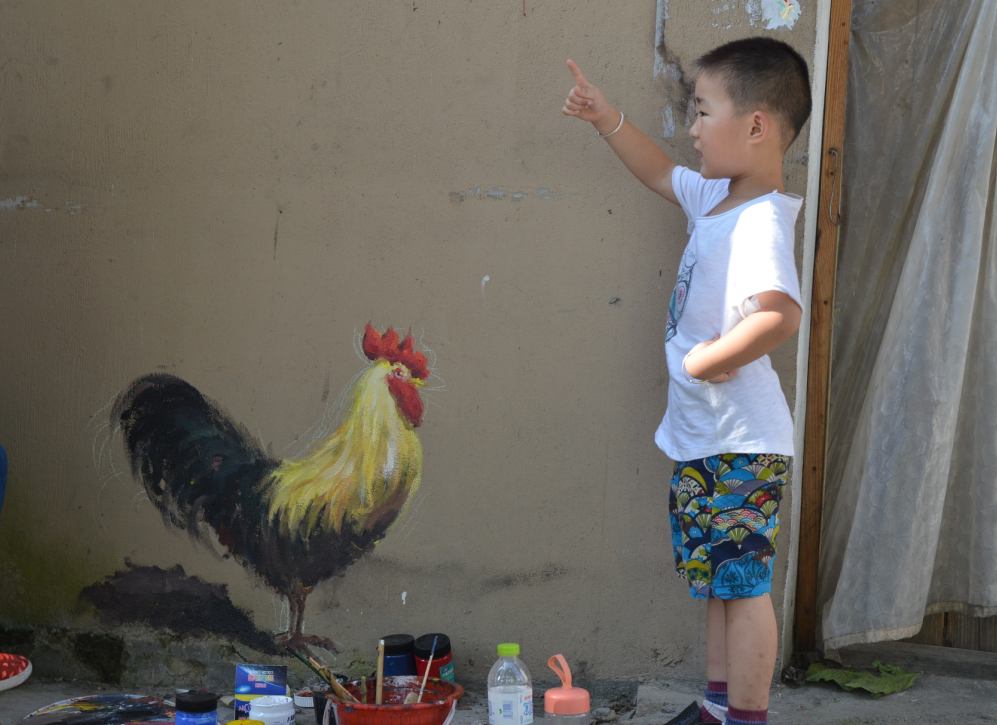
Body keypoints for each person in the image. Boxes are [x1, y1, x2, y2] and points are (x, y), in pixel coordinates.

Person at [562, 37, 811, 725]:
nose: (692, 129)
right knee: (719, 583)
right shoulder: (718, 200)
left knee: (743, 584)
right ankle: (717, 705)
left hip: (741, 441)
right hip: (709, 439)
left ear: (755, 125)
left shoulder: (759, 219)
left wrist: (706, 359)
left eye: (702, 112)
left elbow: (781, 314)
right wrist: (605, 117)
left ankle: (746, 717)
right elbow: (658, 171)